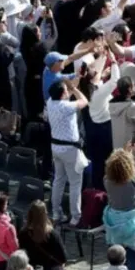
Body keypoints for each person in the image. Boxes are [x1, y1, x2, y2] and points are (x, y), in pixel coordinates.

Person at [47, 77, 88, 224]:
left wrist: (69, 87)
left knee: (58, 180)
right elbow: (84, 101)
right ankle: (75, 217)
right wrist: (76, 89)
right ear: (63, 94)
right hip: (70, 149)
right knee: (75, 183)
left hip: (56, 147)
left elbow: (67, 97)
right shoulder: (66, 107)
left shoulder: (50, 102)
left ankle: (56, 213)